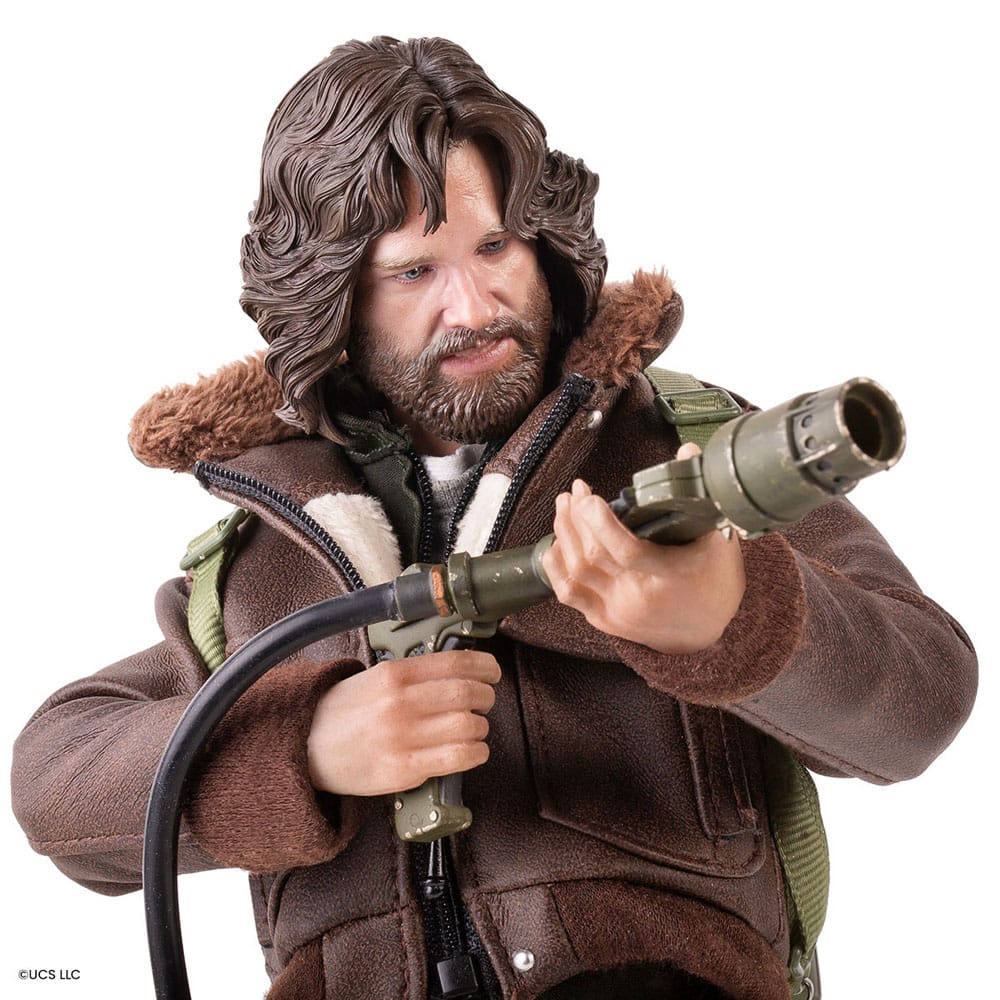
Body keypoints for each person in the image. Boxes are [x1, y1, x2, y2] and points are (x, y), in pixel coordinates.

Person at [11, 35, 977, 1000]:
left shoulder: (682, 451)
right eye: (413, 272)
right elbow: (57, 782)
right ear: (335, 299)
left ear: (543, 241)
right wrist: (300, 748)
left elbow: (924, 698)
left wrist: (731, 617)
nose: (473, 306)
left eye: (493, 246)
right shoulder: (268, 551)